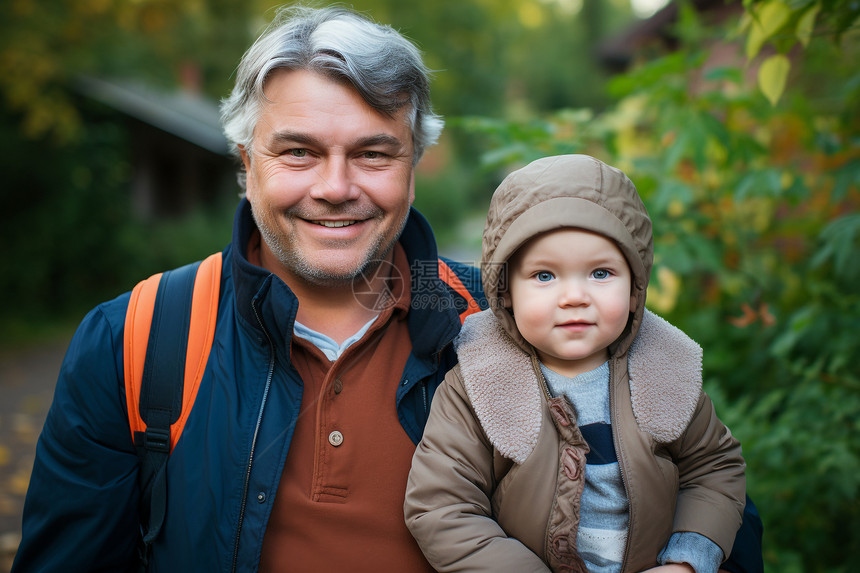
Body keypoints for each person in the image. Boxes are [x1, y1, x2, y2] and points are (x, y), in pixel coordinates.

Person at [12, 6, 484, 572]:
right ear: (246, 163)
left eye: (373, 154)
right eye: (298, 153)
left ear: (414, 165)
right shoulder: (135, 339)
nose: (335, 188)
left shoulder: (498, 324)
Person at [404, 154, 748, 573]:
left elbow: (714, 468)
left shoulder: (662, 371)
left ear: (635, 287)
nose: (574, 297)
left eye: (600, 273)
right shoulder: (479, 384)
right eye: (544, 276)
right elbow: (442, 508)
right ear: (505, 290)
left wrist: (688, 560)